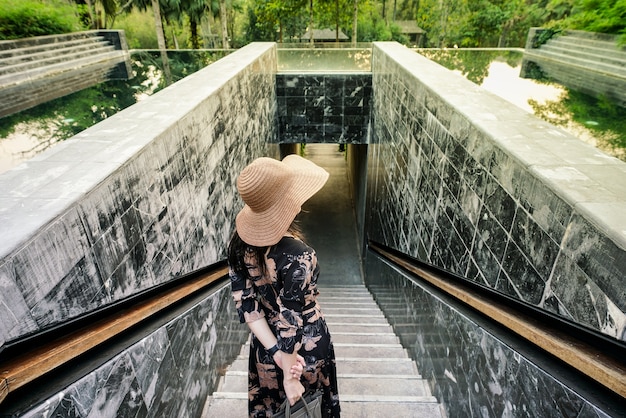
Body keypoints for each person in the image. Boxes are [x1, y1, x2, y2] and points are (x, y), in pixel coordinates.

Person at [228, 154, 341, 417]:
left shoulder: (238, 241)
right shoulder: (300, 255)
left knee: (271, 410)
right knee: (308, 410)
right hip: (305, 352)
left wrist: (276, 352)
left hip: (266, 349)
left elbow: (248, 306)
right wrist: (290, 379)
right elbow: (290, 323)